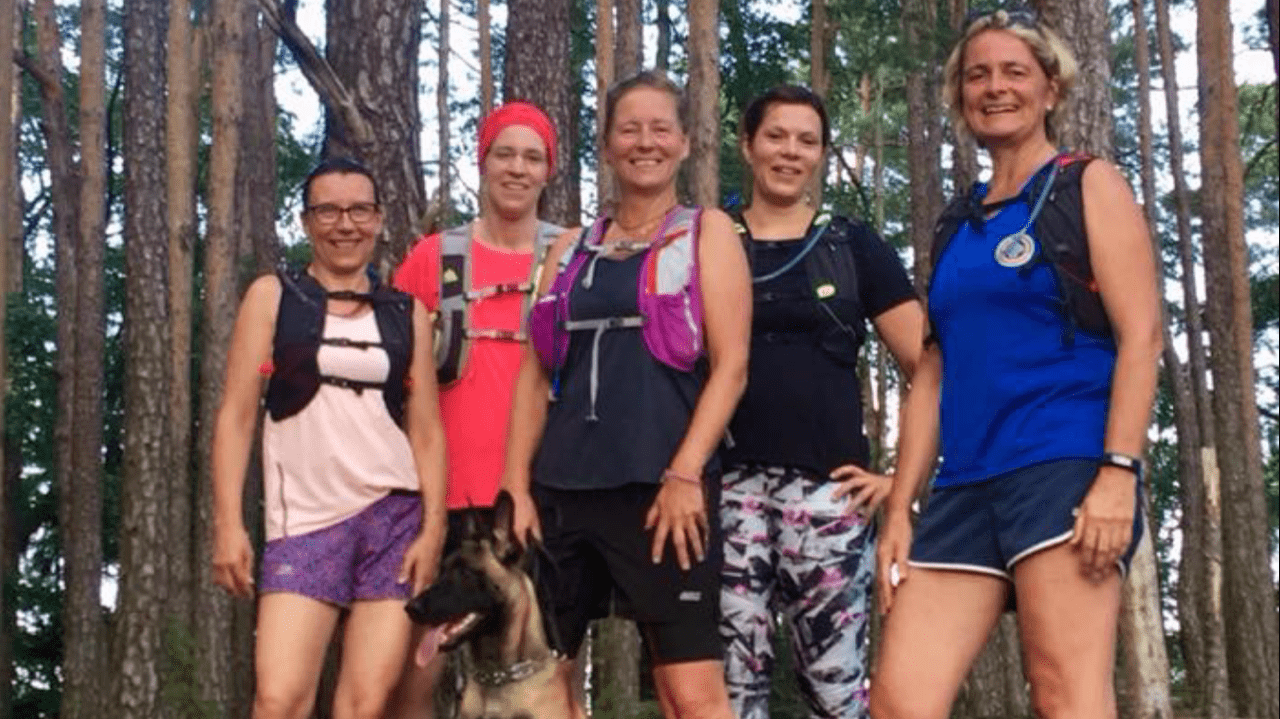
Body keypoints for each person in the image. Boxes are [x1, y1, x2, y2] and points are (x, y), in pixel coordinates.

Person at [869, 9, 1162, 719]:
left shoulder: (1086, 184)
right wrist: (901, 507)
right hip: (966, 485)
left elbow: (1143, 334)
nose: (994, 87)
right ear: (959, 96)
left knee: (1065, 691)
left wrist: (1118, 472)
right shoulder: (956, 220)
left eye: (1014, 72)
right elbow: (933, 370)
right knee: (900, 700)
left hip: (1063, 465)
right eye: (978, 75)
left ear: (1051, 90)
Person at [501, 70, 752, 719]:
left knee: (689, 692)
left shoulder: (708, 233)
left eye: (659, 127)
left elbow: (731, 367)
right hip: (562, 492)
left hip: (663, 489)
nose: (645, 141)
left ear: (685, 142)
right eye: (628, 128)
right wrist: (516, 485)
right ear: (608, 145)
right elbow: (534, 372)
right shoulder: (567, 249)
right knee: (544, 685)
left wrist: (686, 471)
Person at [211, 157, 447, 719]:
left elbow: (428, 430)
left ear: (379, 218)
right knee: (279, 699)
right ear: (306, 221)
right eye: (329, 211)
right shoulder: (273, 297)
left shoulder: (406, 312)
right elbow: (237, 416)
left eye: (360, 210)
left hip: (395, 522)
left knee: (363, 704)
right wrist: (227, 524)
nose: (346, 224)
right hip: (307, 524)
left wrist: (434, 528)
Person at [719, 85, 924, 719]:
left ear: (823, 155)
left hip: (829, 497)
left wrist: (900, 481)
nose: (790, 152)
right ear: (748, 145)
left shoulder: (852, 244)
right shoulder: (709, 240)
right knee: (730, 690)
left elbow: (931, 366)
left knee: (836, 693)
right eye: (776, 136)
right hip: (725, 494)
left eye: (807, 140)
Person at [388, 101, 564, 718]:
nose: (517, 168)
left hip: (541, 497)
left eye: (533, 156)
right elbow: (387, 373)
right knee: (418, 671)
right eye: (504, 153)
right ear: (482, 161)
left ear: (550, 169)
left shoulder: (571, 256)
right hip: (441, 498)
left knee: (546, 676)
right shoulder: (431, 259)